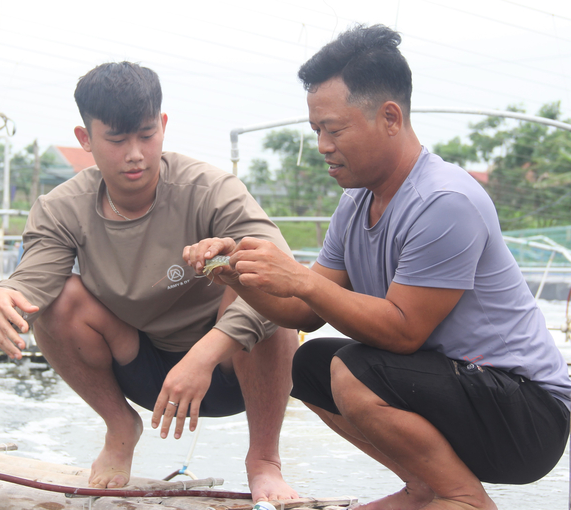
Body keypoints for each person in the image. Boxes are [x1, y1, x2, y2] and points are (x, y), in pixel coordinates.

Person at [184, 24, 571, 510]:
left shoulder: (444, 201)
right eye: (316, 131)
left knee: (355, 369)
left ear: (390, 117)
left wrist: (298, 276)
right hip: (461, 391)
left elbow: (404, 332)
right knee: (312, 366)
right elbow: (301, 313)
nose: (323, 145)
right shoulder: (357, 202)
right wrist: (234, 272)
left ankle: (463, 499)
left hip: (528, 415)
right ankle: (424, 487)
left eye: (334, 129)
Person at [0, 62, 300, 502]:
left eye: (146, 135)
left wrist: (205, 354)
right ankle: (120, 426)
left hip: (230, 364)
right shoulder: (61, 209)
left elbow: (283, 267)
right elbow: (34, 283)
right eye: (117, 139)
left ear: (163, 126)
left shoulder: (208, 189)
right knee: (57, 302)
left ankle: (264, 461)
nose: (135, 154)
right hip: (145, 370)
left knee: (268, 291)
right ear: (85, 139)